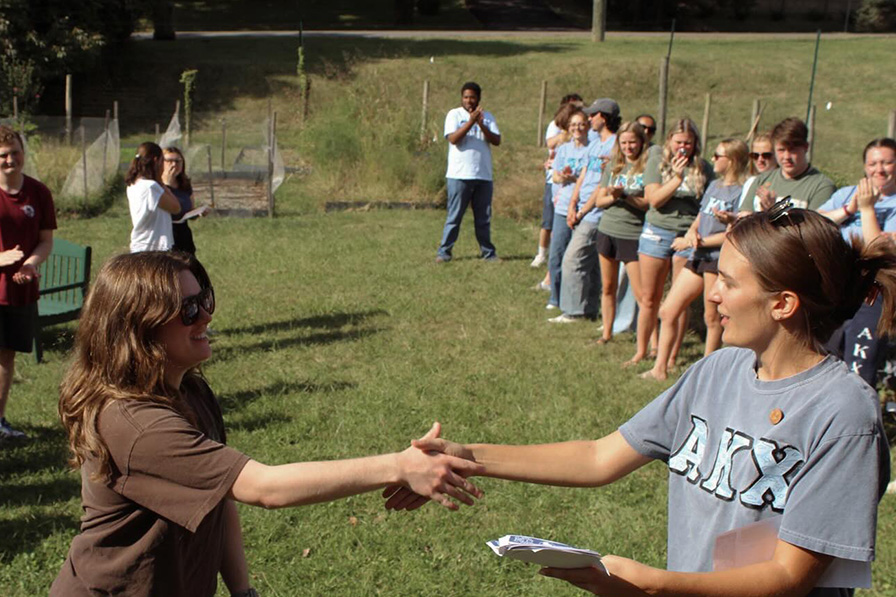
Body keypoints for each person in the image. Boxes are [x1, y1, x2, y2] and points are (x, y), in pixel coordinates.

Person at [389, 203, 895, 597]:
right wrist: (469, 458)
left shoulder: (844, 414)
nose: (711, 294)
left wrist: (649, 585)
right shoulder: (718, 371)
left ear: (783, 304)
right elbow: (599, 456)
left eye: (730, 282)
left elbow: (789, 577)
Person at [51, 251, 483, 596]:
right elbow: (264, 487)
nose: (205, 316)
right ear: (138, 329)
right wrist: (398, 466)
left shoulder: (190, 393)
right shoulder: (136, 424)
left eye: (204, 300)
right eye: (187, 310)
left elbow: (220, 497)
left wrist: (242, 591)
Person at [642, 138, 750, 380]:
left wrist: (697, 241)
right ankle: (659, 369)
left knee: (712, 317)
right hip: (697, 255)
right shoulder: (714, 186)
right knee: (668, 311)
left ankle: (706, 374)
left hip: (718, 259)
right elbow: (700, 218)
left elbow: (734, 233)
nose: (712, 160)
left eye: (717, 155)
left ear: (731, 161)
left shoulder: (741, 191)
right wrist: (692, 232)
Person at [627, 119, 713, 366]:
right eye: (678, 142)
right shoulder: (657, 162)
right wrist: (676, 179)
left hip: (686, 236)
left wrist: (693, 233)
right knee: (649, 297)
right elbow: (653, 199)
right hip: (657, 231)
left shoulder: (703, 168)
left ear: (695, 143)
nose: (683, 147)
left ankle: (671, 355)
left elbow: (707, 204)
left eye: (688, 142)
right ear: (669, 141)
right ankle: (642, 351)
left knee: (678, 299)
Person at [818, 138, 896, 386]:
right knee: (823, 359)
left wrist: (867, 209)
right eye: (873, 163)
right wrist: (848, 210)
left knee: (859, 368)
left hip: (873, 295)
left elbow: (877, 251)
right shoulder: (845, 195)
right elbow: (816, 225)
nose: (879, 169)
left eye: (887, 162)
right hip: (836, 288)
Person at [0, 125, 55, 440]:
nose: (10, 160)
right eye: (3, 155)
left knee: (7, 354)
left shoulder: (38, 192)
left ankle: (0, 421)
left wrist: (32, 264)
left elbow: (45, 240)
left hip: (21, 288)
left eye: (15, 152)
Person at [548, 98, 619, 323]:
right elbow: (586, 174)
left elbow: (602, 183)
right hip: (582, 207)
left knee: (573, 259)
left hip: (597, 212)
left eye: (593, 115)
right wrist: (573, 203)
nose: (589, 119)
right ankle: (589, 308)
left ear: (604, 117)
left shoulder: (615, 145)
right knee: (589, 263)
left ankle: (574, 311)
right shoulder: (596, 143)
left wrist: (584, 210)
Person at [583, 121, 649, 343]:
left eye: (633, 142)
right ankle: (606, 333)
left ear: (641, 142)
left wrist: (624, 196)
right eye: (624, 142)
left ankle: (651, 341)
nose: (628, 147)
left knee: (642, 294)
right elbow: (600, 201)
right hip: (608, 230)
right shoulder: (614, 166)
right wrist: (614, 195)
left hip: (632, 234)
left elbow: (648, 203)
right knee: (608, 286)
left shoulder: (648, 167)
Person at [436, 81, 501, 263]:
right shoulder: (454, 115)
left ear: (478, 98)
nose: (469, 101)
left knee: (483, 218)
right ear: (461, 98)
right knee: (454, 215)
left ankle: (488, 252)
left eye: (472, 97)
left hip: (483, 175)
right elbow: (454, 139)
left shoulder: (488, 117)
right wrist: (470, 121)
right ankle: (444, 251)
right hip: (459, 175)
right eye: (465, 97)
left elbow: (496, 140)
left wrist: (481, 124)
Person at [532, 94, 584, 269]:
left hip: (574, 193)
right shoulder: (559, 133)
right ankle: (544, 257)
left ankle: (554, 273)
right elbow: (551, 147)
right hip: (557, 188)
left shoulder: (585, 143)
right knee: (549, 222)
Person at [545, 108, 590, 309]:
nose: (577, 128)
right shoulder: (563, 149)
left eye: (581, 124)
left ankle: (579, 298)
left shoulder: (593, 149)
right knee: (557, 254)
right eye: (573, 125)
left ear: (587, 126)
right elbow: (554, 176)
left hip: (584, 208)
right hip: (563, 208)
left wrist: (577, 178)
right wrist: (564, 176)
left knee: (577, 259)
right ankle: (555, 297)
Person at [741, 118, 835, 212]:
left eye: (792, 150)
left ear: (806, 148)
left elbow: (815, 226)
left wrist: (773, 212)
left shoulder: (821, 186)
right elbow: (744, 217)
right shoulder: (761, 180)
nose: (786, 157)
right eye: (781, 150)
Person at [126, 142, 181, 253]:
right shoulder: (151, 187)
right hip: (153, 246)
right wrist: (162, 183)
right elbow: (176, 208)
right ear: (156, 161)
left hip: (141, 245)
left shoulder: (134, 184)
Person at [162, 147, 197, 255]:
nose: (174, 164)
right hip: (164, 233)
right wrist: (167, 184)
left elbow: (190, 209)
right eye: (169, 161)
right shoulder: (157, 185)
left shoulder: (184, 184)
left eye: (178, 161)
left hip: (183, 233)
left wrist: (198, 213)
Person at [739, 132, 778, 211]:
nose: (760, 160)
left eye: (766, 155)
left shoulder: (784, 181)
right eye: (755, 155)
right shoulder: (750, 182)